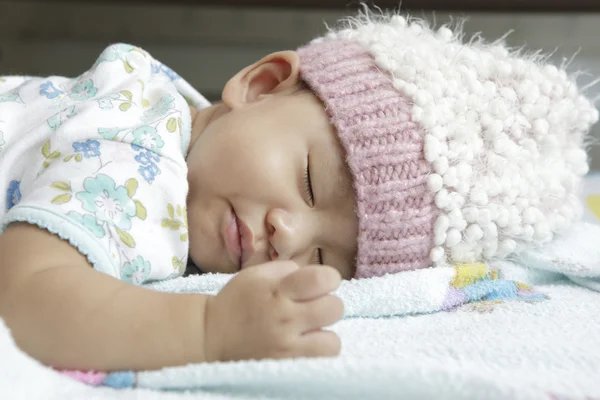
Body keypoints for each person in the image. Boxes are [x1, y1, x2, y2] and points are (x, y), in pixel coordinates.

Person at [0, 10, 596, 371]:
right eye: (309, 180)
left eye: (323, 259)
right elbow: (23, 301)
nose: (289, 235)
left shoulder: (159, 102)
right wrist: (207, 331)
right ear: (262, 84)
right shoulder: (135, 166)